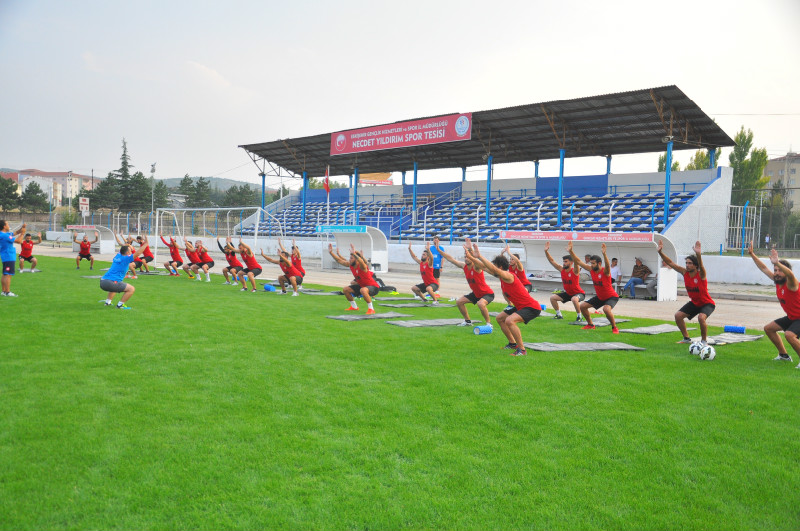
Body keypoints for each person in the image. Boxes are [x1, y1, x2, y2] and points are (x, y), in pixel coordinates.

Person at [470, 242, 541, 357]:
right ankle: (513, 344)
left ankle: (522, 350)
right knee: (500, 318)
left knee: (510, 321)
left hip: (531, 307)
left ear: (500, 267)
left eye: (495, 266)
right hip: (520, 306)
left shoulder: (509, 276)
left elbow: (492, 268)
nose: (491, 268)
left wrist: (480, 256)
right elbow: (483, 267)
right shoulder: (501, 276)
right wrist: (471, 256)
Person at [748, 241, 800, 367]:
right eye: (775, 270)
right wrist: (752, 254)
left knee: (789, 335)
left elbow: (790, 274)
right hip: (792, 317)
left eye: (779, 270)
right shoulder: (778, 282)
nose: (776, 273)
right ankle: (784, 355)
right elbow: (763, 268)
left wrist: (777, 262)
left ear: (785, 272)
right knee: (769, 328)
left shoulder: (791, 283)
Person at [658, 240, 715, 345]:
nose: (687, 265)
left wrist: (698, 254)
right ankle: (686, 338)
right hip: (694, 303)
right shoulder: (685, 273)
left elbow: (702, 267)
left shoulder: (701, 274)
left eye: (690, 263)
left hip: (707, 303)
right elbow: (670, 263)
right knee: (678, 316)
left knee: (701, 317)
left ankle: (703, 341)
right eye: (686, 263)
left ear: (695, 266)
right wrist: (660, 252)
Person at [436, 238, 494, 326]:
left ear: (472, 257)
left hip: (487, 293)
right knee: (459, 302)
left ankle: (488, 324)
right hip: (476, 293)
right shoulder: (464, 266)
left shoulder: (476, 267)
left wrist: (470, 249)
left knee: (481, 304)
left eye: (468, 257)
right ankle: (467, 321)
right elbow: (451, 259)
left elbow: (479, 261)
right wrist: (439, 250)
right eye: (465, 257)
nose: (466, 258)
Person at [568, 241, 620, 333]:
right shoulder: (591, 270)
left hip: (611, 296)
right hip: (600, 297)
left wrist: (604, 254)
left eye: (593, 263)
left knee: (606, 309)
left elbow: (608, 265)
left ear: (599, 263)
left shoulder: (605, 271)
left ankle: (614, 327)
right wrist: (571, 251)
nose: (591, 265)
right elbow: (579, 261)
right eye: (591, 263)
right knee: (583, 306)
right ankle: (590, 325)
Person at [328, 243, 378, 314]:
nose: (349, 260)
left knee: (363, 290)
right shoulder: (351, 265)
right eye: (350, 258)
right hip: (362, 286)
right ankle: (354, 307)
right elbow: (339, 260)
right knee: (346, 289)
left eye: (351, 258)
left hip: (374, 287)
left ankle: (371, 309)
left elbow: (362, 261)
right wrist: (331, 252)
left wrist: (354, 254)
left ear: (356, 260)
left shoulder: (362, 267)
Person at [99, 238, 148, 309]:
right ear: (127, 253)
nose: (131, 252)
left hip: (102, 281)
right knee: (131, 289)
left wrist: (127, 245)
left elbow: (123, 249)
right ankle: (120, 305)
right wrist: (145, 244)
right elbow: (138, 253)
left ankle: (108, 302)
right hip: (110, 282)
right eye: (130, 251)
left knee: (115, 286)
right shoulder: (126, 258)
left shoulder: (118, 256)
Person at [544, 241, 585, 321]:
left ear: (571, 262)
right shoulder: (561, 269)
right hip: (568, 293)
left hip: (578, 293)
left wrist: (571, 251)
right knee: (553, 298)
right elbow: (552, 261)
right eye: (563, 261)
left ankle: (579, 316)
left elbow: (577, 262)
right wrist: (546, 252)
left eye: (566, 261)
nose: (564, 263)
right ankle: (559, 315)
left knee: (574, 299)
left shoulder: (575, 271)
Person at [1, 221, 26, 297]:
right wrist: (22, 234)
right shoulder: (4, 236)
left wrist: (22, 228)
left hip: (6, 256)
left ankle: (3, 291)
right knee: (8, 274)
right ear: (4, 226)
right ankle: (7, 292)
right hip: (9, 256)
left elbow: (15, 233)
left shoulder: (3, 234)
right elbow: (19, 241)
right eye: (7, 224)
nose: (9, 226)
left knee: (5, 274)